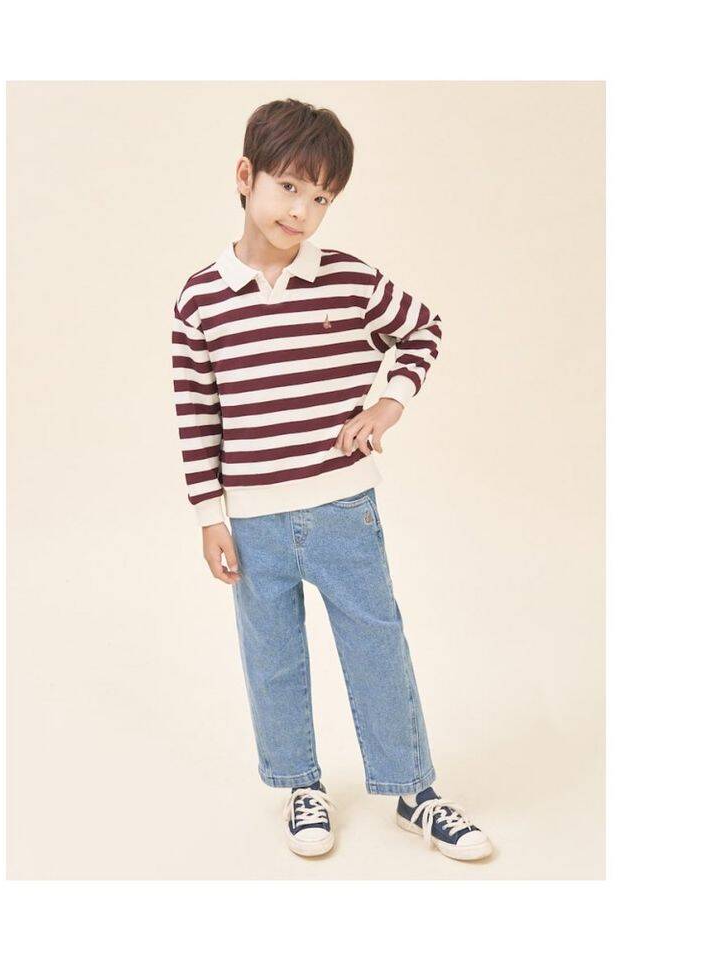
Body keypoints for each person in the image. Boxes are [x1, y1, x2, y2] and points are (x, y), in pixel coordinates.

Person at [171, 98, 492, 861]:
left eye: (321, 198)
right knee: (273, 657)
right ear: (246, 176)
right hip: (253, 521)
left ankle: (413, 791)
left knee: (377, 646)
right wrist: (210, 515)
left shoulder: (347, 279)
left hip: (345, 507)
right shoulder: (200, 299)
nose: (303, 211)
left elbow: (423, 328)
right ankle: (300, 785)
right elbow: (195, 415)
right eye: (290, 187)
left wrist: (390, 402)